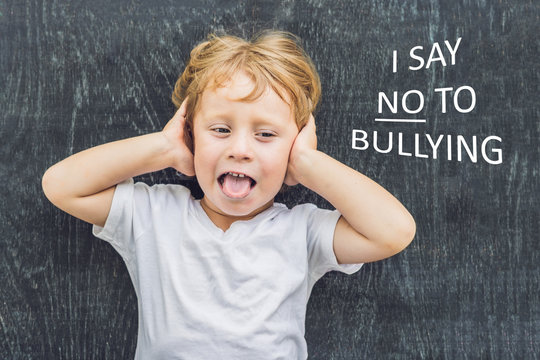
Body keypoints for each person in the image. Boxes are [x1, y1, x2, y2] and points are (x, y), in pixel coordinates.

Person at [42, 30, 415, 359]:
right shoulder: (152, 214)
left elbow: (393, 232)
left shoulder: (303, 231)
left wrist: (306, 163)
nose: (240, 149)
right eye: (220, 129)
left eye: (266, 135)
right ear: (191, 135)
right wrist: (166, 148)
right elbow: (61, 185)